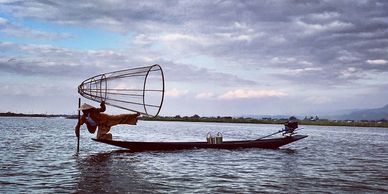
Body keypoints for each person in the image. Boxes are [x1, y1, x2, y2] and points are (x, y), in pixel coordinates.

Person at [74, 101, 140, 140]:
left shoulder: (94, 111)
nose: (83, 111)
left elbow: (102, 109)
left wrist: (102, 104)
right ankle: (109, 137)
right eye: (82, 110)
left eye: (84, 110)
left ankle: (135, 115)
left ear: (87, 109)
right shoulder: (83, 117)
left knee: (120, 118)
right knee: (99, 137)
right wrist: (77, 134)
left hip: (106, 119)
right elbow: (77, 126)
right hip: (101, 125)